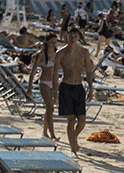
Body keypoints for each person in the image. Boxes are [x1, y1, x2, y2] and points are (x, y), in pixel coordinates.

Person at [56, 28, 96, 156]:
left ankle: (73, 139)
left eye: (75, 36)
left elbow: (89, 72)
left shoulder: (84, 52)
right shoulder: (60, 53)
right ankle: (73, 147)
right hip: (66, 87)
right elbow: (54, 74)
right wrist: (54, 92)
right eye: (71, 36)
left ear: (79, 37)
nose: (73, 38)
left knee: (82, 121)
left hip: (79, 87)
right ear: (67, 37)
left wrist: (91, 89)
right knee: (71, 120)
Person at [26, 32, 60, 141]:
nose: (54, 44)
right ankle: (52, 134)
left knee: (50, 109)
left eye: (55, 42)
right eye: (51, 42)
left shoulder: (57, 53)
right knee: (50, 108)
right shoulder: (41, 55)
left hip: (54, 83)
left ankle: (45, 132)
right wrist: (29, 88)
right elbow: (32, 72)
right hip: (44, 83)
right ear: (46, 42)